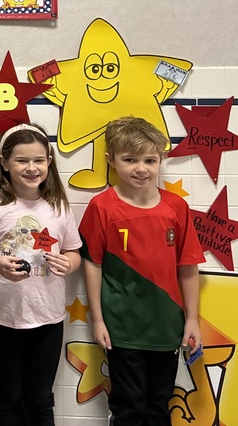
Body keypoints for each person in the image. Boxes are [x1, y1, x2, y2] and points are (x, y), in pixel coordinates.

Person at [79, 116, 203, 426]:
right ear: (111, 160)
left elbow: (188, 267)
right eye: (130, 159)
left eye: (150, 159)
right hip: (122, 329)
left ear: (161, 159)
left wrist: (191, 320)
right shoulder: (101, 207)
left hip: (166, 327)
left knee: (158, 407)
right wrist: (98, 319)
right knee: (128, 408)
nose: (141, 168)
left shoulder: (177, 208)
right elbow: (92, 264)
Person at [0, 124, 82, 426]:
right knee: (9, 392)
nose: (31, 168)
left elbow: (74, 252)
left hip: (47, 317)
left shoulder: (58, 205)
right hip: (1, 316)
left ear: (49, 161)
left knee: (40, 396)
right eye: (21, 160)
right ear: (4, 163)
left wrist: (69, 265)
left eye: (39, 160)